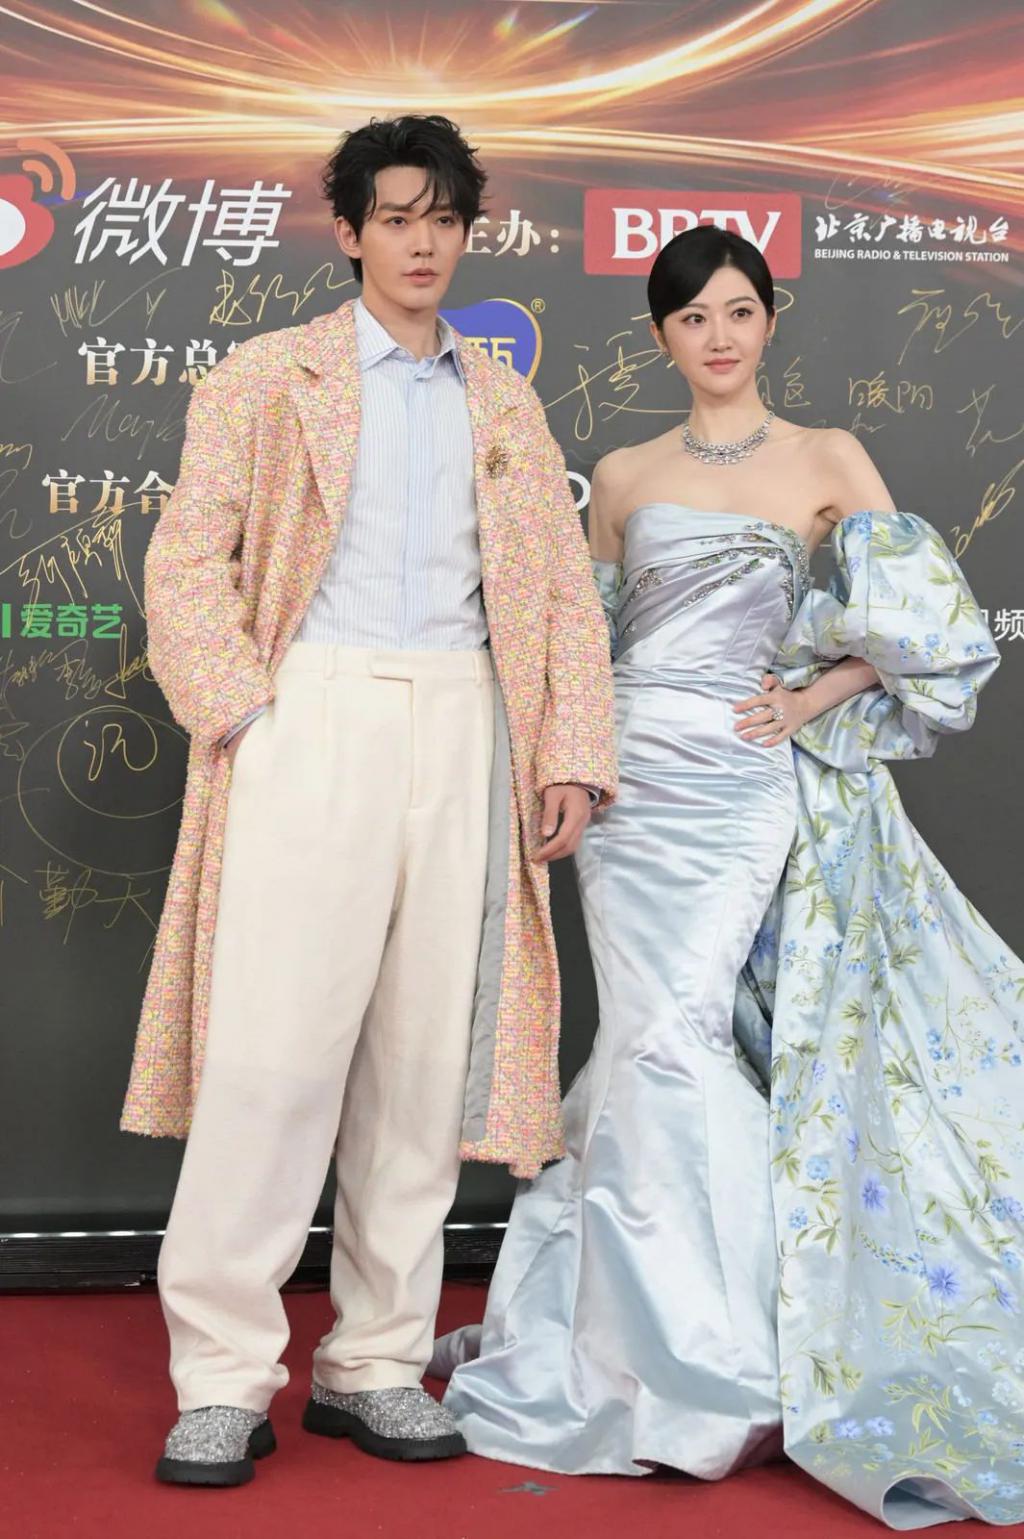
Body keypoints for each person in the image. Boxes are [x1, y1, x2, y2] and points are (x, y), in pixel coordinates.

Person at [433, 227, 1024, 1529]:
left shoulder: (827, 457)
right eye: (693, 316)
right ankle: (632, 1347)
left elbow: (933, 629)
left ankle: (724, 1363)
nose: (719, 335)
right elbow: (583, 645)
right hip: (629, 787)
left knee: (678, 1034)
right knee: (641, 1039)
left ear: (770, 320)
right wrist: (570, 767)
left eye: (740, 310)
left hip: (743, 786)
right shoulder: (623, 474)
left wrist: (815, 695)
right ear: (661, 336)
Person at [120, 113, 617, 1487]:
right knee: (272, 1058)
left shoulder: (502, 399)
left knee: (419, 1062)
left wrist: (569, 751)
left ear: (465, 233)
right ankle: (223, 1377)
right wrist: (251, 716)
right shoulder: (267, 375)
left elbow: (559, 594)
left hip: (467, 722)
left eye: (442, 219)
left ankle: (376, 1363)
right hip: (312, 709)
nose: (420, 243)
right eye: (395, 218)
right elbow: (186, 560)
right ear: (348, 232)